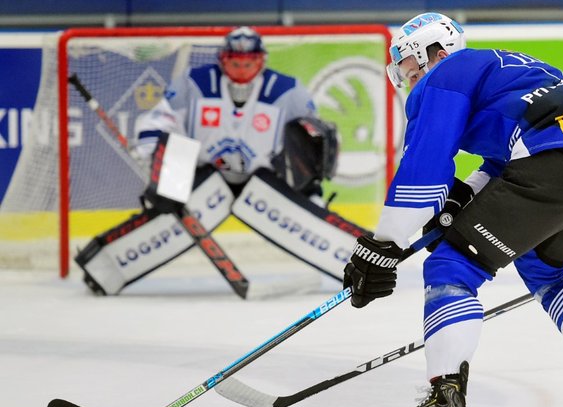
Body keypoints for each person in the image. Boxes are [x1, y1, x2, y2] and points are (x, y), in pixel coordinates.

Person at [344, 12, 563, 407]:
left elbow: (423, 171)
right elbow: (509, 161)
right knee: (544, 263)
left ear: (437, 54)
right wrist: (465, 200)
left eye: (409, 66)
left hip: (559, 165)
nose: (408, 80)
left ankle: (444, 406)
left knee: (451, 264)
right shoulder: (506, 65)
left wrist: (381, 246)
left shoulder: (445, 74)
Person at [75, 26, 364, 295]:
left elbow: (311, 143)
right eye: (235, 63)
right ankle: (102, 268)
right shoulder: (194, 83)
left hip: (264, 179)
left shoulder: (289, 92)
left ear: (261, 61)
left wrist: (309, 190)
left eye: (248, 64)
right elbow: (159, 122)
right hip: (201, 174)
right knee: (165, 205)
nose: (241, 70)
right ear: (222, 61)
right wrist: (162, 173)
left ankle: (365, 267)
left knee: (310, 216)